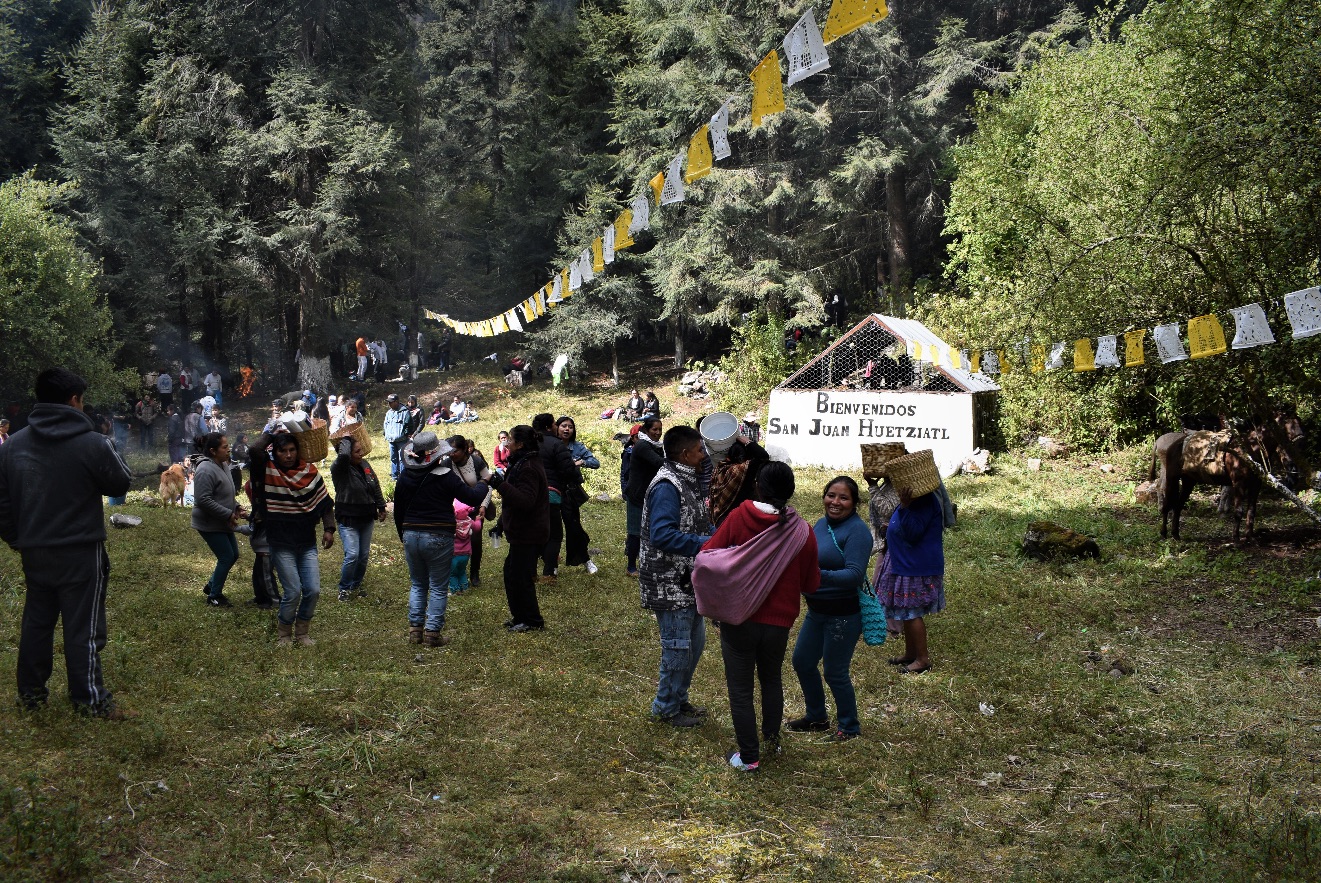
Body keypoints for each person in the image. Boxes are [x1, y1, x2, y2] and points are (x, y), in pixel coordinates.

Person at [0, 368, 133, 718]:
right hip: (80, 550)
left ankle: (31, 696)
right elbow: (120, 484)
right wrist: (106, 442)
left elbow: (1, 504)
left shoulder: (12, 445)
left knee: (37, 623)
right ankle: (89, 701)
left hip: (34, 551)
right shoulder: (92, 443)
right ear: (75, 401)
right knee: (83, 627)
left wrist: (19, 539)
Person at [703, 462, 820, 771]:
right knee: (771, 679)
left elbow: (708, 556)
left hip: (739, 618)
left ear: (757, 485)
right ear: (791, 492)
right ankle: (772, 741)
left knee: (740, 690)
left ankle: (749, 757)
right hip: (779, 623)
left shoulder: (740, 516)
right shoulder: (802, 530)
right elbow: (811, 584)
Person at [639, 425, 714, 728]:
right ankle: (666, 708)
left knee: (694, 644)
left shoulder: (686, 479)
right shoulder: (667, 486)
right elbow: (662, 535)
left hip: (687, 578)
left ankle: (679, 698)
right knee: (678, 646)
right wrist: (706, 544)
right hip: (668, 581)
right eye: (699, 450)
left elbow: (692, 522)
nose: (703, 454)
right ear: (685, 454)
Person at [789, 476, 870, 741]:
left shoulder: (858, 532)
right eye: (831, 495)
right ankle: (816, 717)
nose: (835, 502)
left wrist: (815, 575)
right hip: (817, 610)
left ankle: (849, 727)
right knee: (802, 661)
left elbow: (855, 575)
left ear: (855, 503)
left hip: (843, 615)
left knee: (835, 672)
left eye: (843, 497)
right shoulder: (821, 525)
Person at [392, 433, 489, 647]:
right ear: (438, 455)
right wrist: (484, 482)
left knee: (418, 584)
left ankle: (415, 631)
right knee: (437, 586)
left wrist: (403, 535)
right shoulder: (445, 475)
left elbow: (398, 511)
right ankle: (432, 633)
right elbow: (472, 497)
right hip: (438, 534)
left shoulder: (405, 476)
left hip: (411, 533)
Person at [249, 429, 336, 646]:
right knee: (293, 591)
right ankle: (284, 634)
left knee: (313, 591)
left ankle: (302, 633)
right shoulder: (267, 470)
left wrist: (329, 529)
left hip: (306, 542)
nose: (288, 455)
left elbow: (324, 502)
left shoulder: (309, 471)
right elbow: (254, 450)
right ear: (274, 453)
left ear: (298, 451)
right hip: (280, 542)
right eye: (283, 451)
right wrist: (272, 433)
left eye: (292, 450)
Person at [877, 481, 945, 674]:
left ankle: (922, 659)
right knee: (905, 610)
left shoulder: (924, 501)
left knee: (912, 611)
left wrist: (905, 507)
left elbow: (914, 532)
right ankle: (911, 653)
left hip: (915, 566)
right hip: (905, 563)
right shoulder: (913, 499)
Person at [487, 425, 549, 632]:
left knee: (521, 577)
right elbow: (512, 503)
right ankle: (520, 616)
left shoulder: (529, 467)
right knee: (512, 574)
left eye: (511, 440)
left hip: (528, 532)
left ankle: (532, 620)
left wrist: (498, 484)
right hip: (521, 531)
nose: (507, 443)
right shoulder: (522, 462)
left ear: (520, 444)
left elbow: (525, 501)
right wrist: (500, 525)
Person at [330, 434, 387, 602]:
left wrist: (381, 506)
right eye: (357, 451)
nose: (361, 453)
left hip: (367, 517)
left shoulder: (365, 465)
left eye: (361, 450)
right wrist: (347, 439)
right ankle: (344, 588)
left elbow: (375, 485)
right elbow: (344, 456)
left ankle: (355, 584)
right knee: (352, 555)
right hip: (348, 518)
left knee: (363, 556)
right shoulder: (339, 468)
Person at [192, 431, 246, 608]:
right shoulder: (205, 469)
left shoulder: (223, 464)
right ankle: (214, 596)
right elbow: (203, 500)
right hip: (209, 522)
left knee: (233, 554)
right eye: (225, 447)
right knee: (226, 556)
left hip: (222, 520)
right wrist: (228, 514)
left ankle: (211, 585)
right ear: (213, 450)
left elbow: (226, 492)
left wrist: (236, 506)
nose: (229, 449)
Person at [532, 412, 582, 581]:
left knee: (535, 532)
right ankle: (548, 572)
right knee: (554, 535)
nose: (556, 427)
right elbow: (568, 469)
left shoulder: (530, 443)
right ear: (548, 427)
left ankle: (531, 572)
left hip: (530, 494)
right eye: (554, 424)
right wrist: (577, 472)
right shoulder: (556, 444)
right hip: (551, 493)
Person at [447, 436, 494, 588]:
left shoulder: (476, 461)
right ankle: (456, 572)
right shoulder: (447, 463)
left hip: (475, 508)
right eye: (449, 451)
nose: (451, 454)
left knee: (475, 541)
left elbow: (488, 482)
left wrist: (484, 505)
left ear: (465, 449)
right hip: (455, 510)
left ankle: (475, 573)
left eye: (455, 451)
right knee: (455, 542)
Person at [556, 415, 599, 574]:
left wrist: (580, 462)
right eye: (563, 426)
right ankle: (550, 562)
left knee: (574, 527)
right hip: (552, 490)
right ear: (557, 427)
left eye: (570, 427)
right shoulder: (551, 445)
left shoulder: (577, 447)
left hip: (569, 492)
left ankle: (586, 559)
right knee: (552, 528)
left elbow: (595, 463)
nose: (567, 429)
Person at [623, 416, 664, 576]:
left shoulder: (656, 446)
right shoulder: (642, 446)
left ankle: (648, 561)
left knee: (651, 530)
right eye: (654, 429)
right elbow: (659, 463)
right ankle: (631, 567)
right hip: (637, 495)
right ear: (646, 430)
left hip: (651, 494)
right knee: (635, 531)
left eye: (660, 429)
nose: (658, 433)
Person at [450, 500, 481, 594]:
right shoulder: (469, 521)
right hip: (466, 553)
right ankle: (465, 588)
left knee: (452, 573)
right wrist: (478, 519)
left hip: (454, 554)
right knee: (462, 571)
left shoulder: (452, 522)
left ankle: (455, 590)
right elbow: (477, 528)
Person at [383, 393, 409, 479]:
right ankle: (394, 475)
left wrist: (405, 434)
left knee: (402, 458)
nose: (389, 404)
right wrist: (386, 434)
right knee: (393, 458)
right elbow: (385, 424)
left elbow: (409, 425)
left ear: (397, 402)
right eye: (388, 402)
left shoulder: (405, 411)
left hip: (401, 440)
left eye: (391, 402)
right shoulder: (389, 413)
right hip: (391, 440)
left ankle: (402, 476)